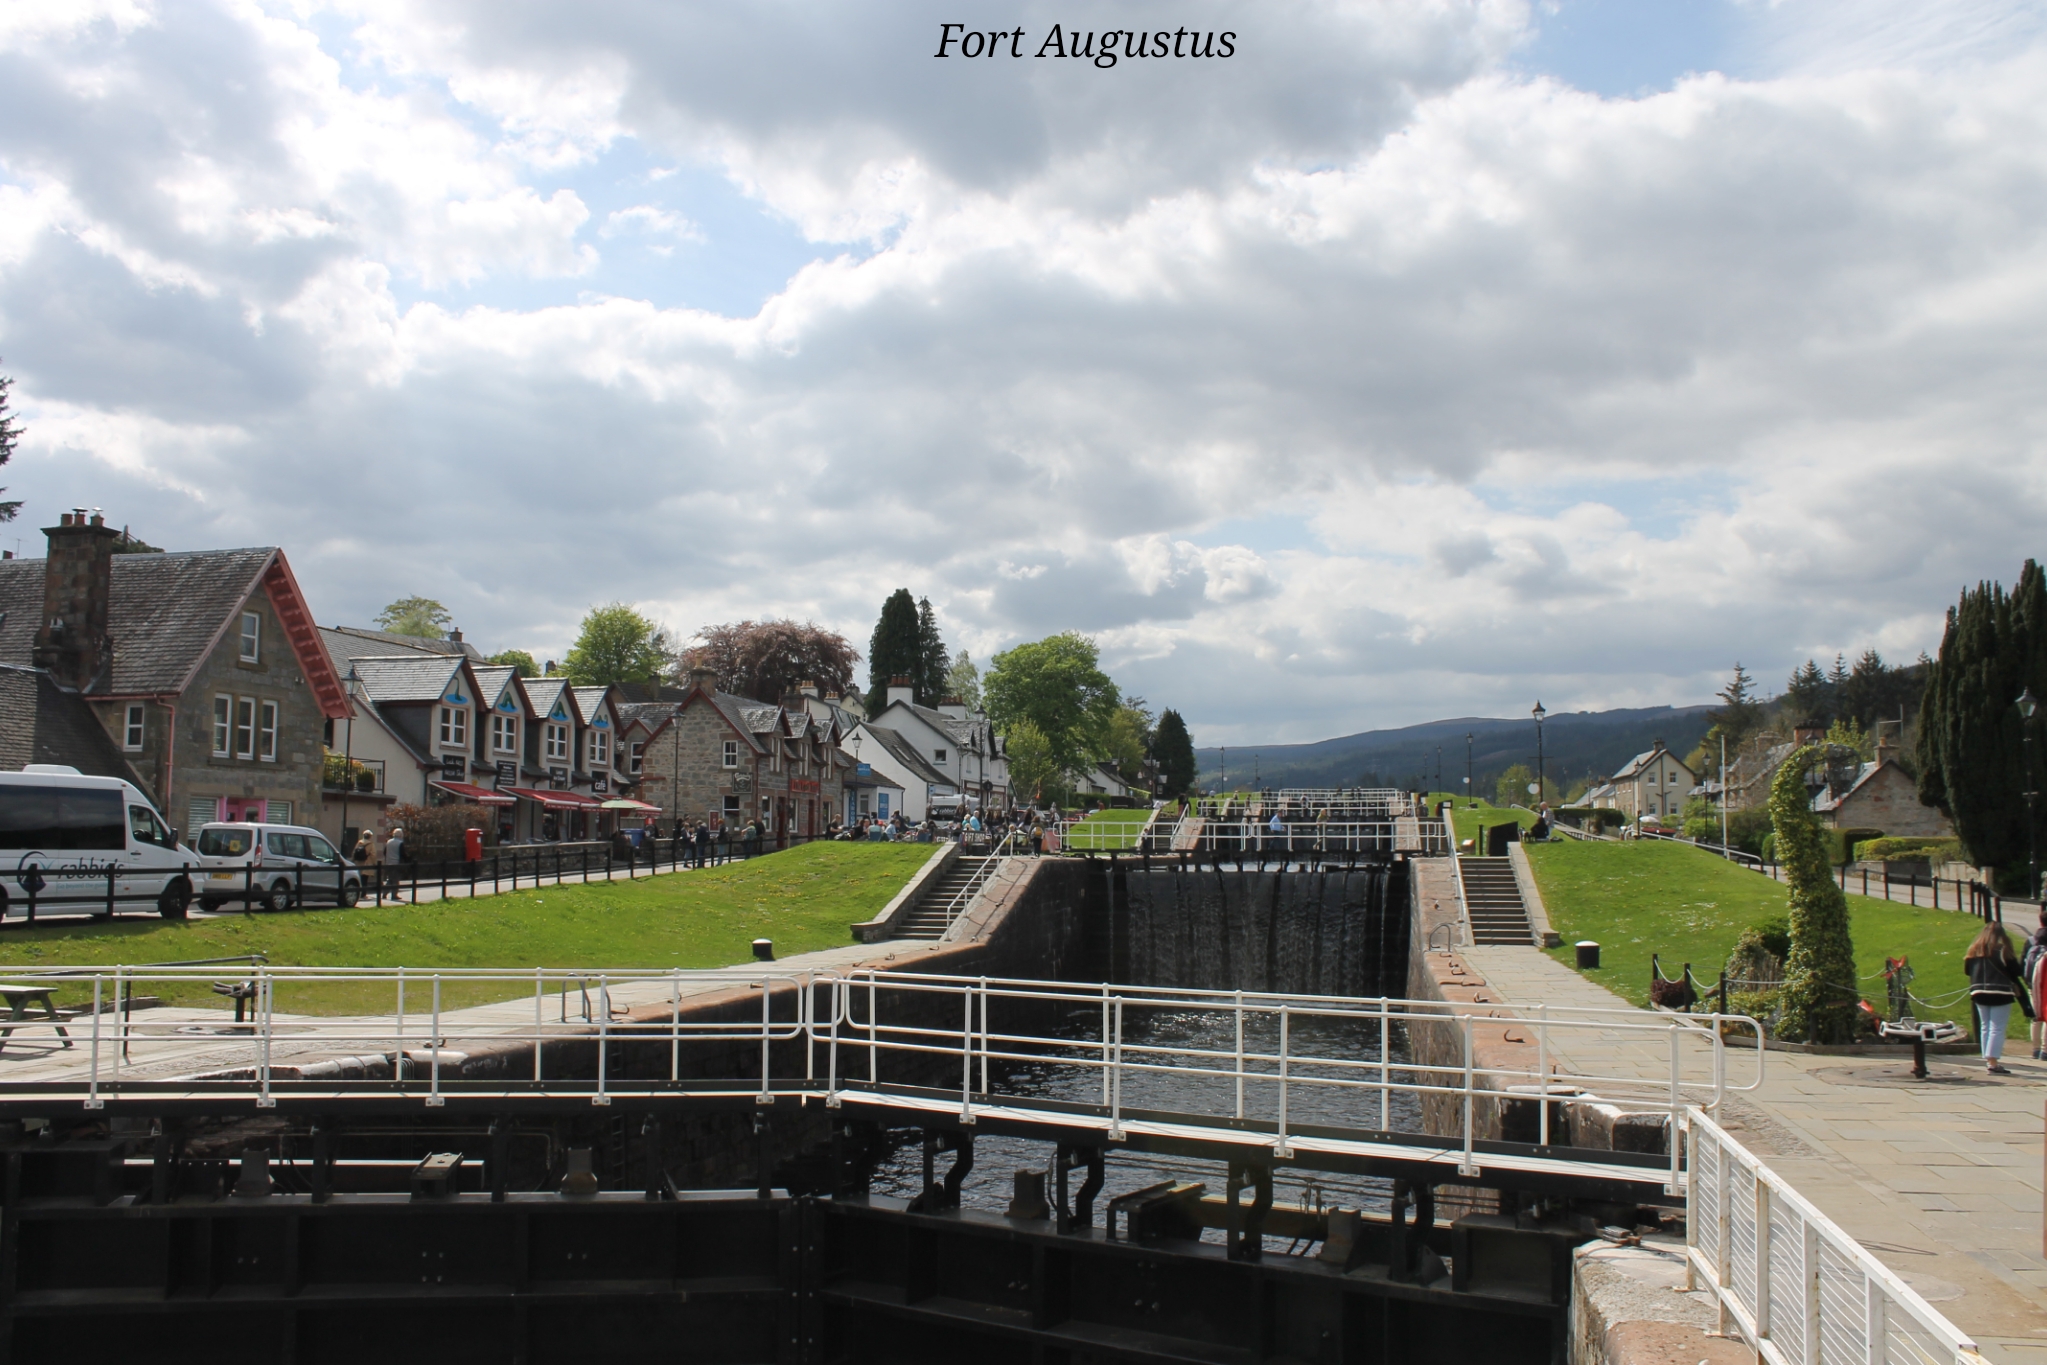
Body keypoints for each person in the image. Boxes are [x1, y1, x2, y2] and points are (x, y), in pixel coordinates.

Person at [1964, 921, 2032, 1074]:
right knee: (1997, 1027)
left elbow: (1968, 971)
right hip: (2000, 991)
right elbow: (2016, 971)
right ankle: (1993, 1062)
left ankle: (1988, 1059)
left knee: (1985, 1026)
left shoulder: (1974, 950)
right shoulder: (2002, 950)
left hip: (1978, 991)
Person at [2026, 911, 2047, 1059]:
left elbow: (2023, 962)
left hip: (2032, 983)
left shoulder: (2031, 940)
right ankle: (2045, 1050)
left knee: (2036, 1016)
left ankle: (2035, 1048)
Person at [382, 826, 407, 902]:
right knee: (395, 879)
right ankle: (394, 895)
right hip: (396, 863)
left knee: (389, 879)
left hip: (388, 863)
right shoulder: (400, 843)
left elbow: (384, 852)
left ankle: (384, 893)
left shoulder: (388, 842)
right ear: (401, 835)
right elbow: (403, 854)